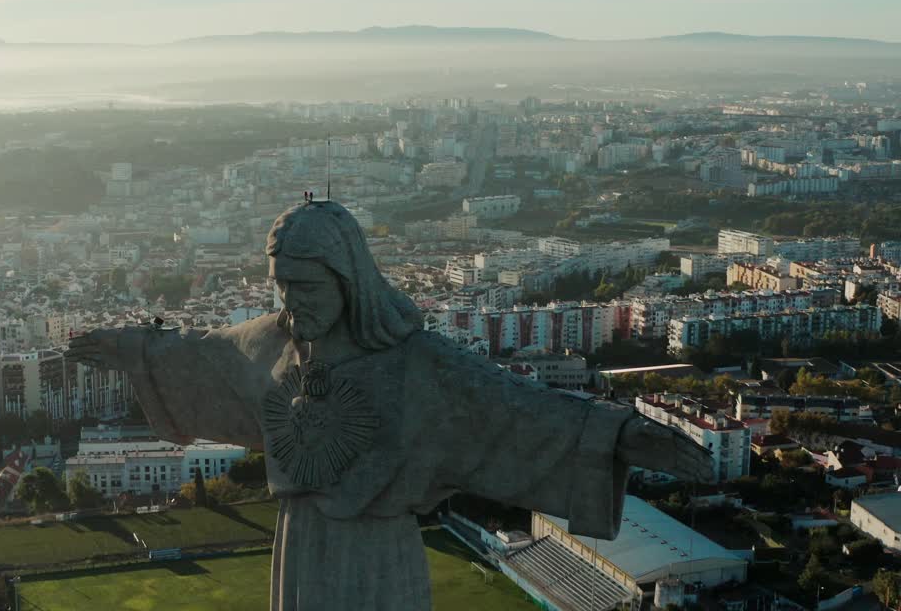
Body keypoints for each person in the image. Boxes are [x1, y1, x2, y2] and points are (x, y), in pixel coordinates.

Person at [67, 200, 711, 611]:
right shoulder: (274, 342)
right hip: (303, 544)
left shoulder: (416, 360)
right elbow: (201, 356)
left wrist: (620, 433)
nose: (292, 302)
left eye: (306, 286)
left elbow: (516, 410)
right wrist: (131, 349)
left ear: (347, 281)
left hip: (379, 554)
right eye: (281, 286)